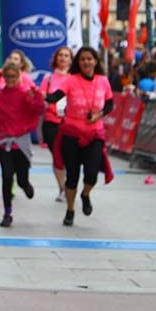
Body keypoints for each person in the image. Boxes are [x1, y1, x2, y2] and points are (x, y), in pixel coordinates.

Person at [53, 45, 114, 227]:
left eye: (89, 58)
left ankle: (85, 194)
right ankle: (70, 209)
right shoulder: (71, 80)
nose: (86, 62)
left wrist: (99, 115)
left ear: (95, 61)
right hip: (72, 133)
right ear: (77, 63)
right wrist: (40, 96)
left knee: (92, 174)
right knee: (72, 176)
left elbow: (110, 104)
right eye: (82, 59)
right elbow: (56, 96)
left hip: (94, 133)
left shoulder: (103, 81)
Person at [0, 62, 44, 228]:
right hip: (4, 143)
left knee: (21, 179)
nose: (10, 79)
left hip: (21, 142)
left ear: (19, 77)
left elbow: (38, 110)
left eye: (13, 76)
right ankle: (7, 213)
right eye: (7, 76)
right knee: (7, 176)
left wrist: (35, 94)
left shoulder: (25, 94)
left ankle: (26, 185)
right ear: (3, 78)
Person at [40, 45, 72, 201]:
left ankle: (69, 185)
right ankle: (62, 188)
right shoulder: (49, 78)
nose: (63, 58)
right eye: (61, 55)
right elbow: (42, 98)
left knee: (70, 157)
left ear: (71, 60)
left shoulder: (74, 78)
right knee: (57, 156)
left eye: (66, 55)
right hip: (52, 123)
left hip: (71, 123)